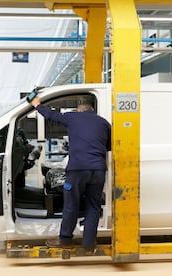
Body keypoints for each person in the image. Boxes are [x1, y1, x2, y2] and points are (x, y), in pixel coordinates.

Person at [30, 96, 111, 255]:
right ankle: (88, 244)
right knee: (93, 206)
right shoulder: (104, 123)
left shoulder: (73, 117)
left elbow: (51, 116)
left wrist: (37, 104)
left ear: (79, 110)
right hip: (98, 170)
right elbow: (108, 145)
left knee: (71, 204)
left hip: (78, 170)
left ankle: (65, 239)